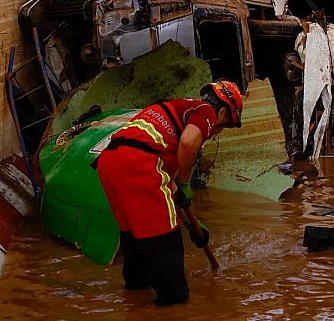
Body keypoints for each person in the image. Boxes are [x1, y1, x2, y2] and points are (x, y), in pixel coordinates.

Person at [95, 80, 245, 306]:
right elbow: (188, 143)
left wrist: (193, 226)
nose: (216, 133)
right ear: (223, 111)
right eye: (224, 126)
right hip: (139, 164)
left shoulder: (177, 113)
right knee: (168, 257)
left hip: (110, 164)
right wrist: (185, 182)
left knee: (135, 242)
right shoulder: (205, 111)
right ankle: (172, 305)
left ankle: (135, 302)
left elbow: (170, 194)